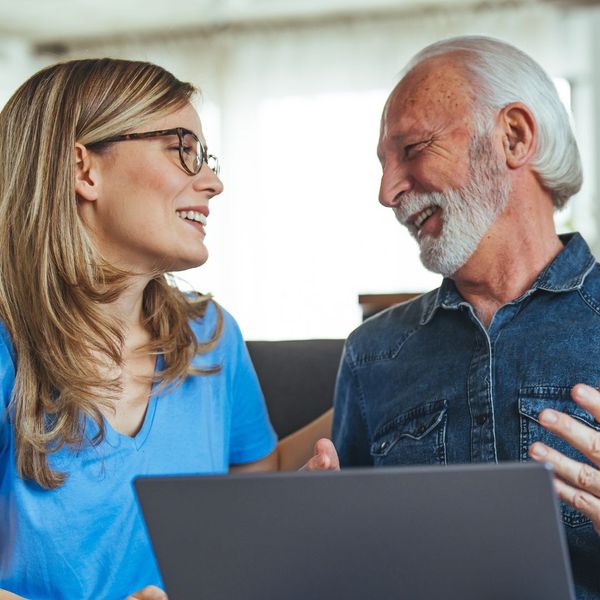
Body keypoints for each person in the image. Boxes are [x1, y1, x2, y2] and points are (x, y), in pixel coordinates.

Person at [0, 58, 338, 600]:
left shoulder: (211, 334)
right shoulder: (6, 348)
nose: (213, 182)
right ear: (84, 170)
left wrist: (379, 380)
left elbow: (249, 480)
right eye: (184, 150)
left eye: (206, 157)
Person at [332, 36, 600, 598]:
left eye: (412, 148)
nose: (387, 192)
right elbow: (347, 568)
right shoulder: (370, 353)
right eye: (383, 163)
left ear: (514, 136)